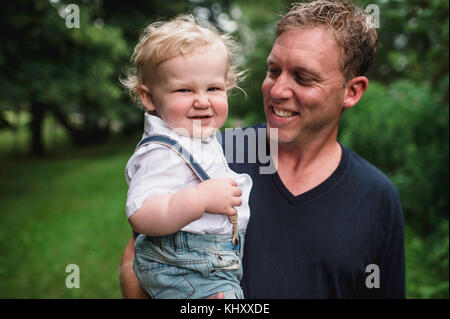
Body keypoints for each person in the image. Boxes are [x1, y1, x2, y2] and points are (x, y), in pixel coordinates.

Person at [120, 0, 405, 299]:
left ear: (352, 91)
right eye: (273, 71)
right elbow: (138, 257)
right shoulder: (209, 154)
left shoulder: (377, 198)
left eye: (303, 78)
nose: (278, 90)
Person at [120, 15, 253, 299]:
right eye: (184, 90)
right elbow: (141, 214)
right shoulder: (161, 150)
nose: (202, 101)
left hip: (211, 261)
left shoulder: (197, 138)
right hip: (187, 265)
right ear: (149, 98)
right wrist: (200, 199)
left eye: (214, 88)